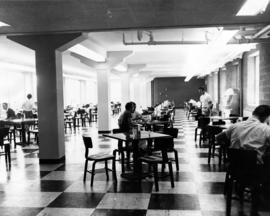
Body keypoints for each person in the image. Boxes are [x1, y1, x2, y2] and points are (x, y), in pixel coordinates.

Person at [216, 105, 270, 216]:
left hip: (234, 169)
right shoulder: (266, 129)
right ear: (265, 117)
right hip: (255, 171)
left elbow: (218, 138)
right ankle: (261, 200)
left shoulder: (235, 126)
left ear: (253, 113)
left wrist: (229, 144)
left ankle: (240, 187)